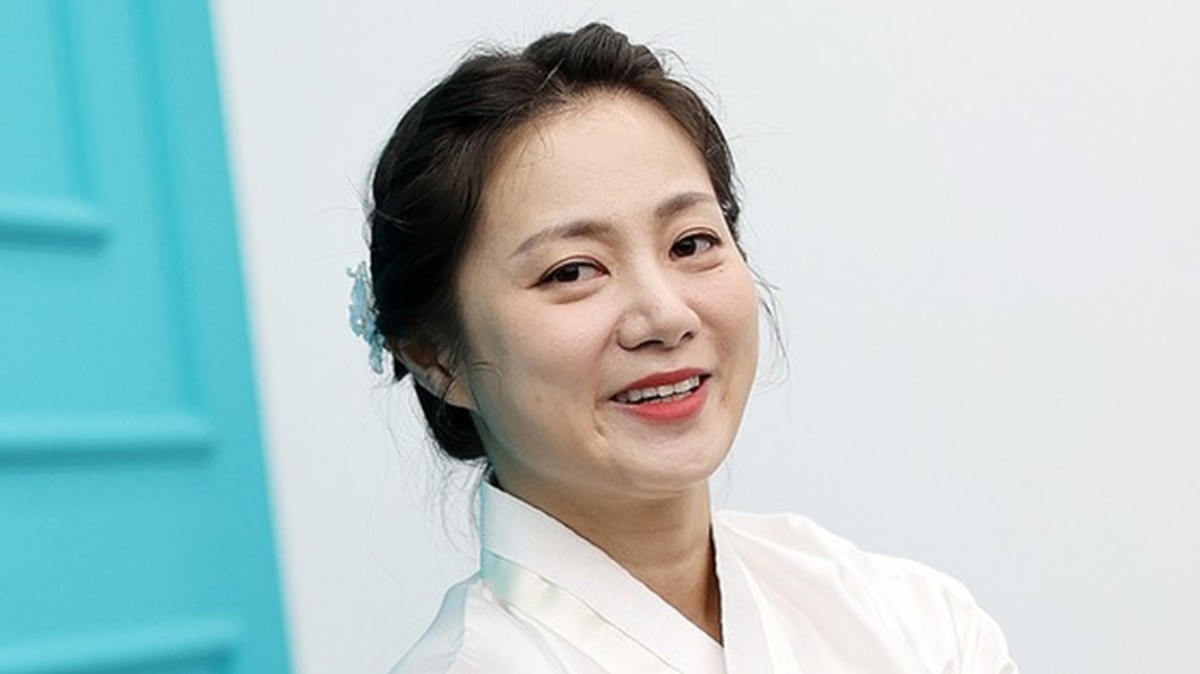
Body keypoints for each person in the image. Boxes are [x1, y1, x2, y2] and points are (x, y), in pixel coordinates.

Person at [351, 22, 1018, 673]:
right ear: (435, 356)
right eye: (572, 271)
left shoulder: (913, 623)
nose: (666, 316)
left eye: (691, 243)